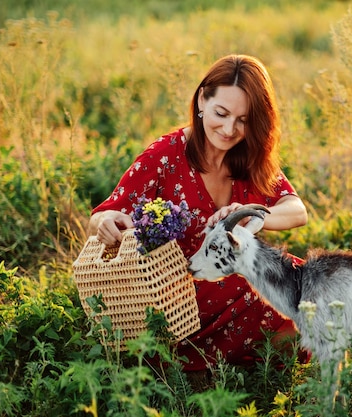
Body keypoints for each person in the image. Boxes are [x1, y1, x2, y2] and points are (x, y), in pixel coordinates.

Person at [88, 54, 308, 371]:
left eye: (243, 120)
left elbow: (296, 209)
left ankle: (254, 367)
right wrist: (106, 222)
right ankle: (212, 361)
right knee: (266, 290)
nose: (230, 129)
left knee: (297, 283)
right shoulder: (165, 156)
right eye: (221, 113)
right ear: (202, 99)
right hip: (175, 297)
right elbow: (104, 214)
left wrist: (254, 216)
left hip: (228, 281)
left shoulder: (249, 156)